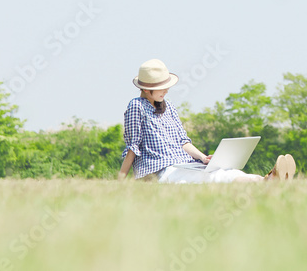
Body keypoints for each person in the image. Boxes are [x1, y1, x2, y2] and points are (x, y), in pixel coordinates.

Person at [117, 58, 296, 183]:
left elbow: (183, 142)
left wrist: (203, 158)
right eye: (162, 88)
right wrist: (122, 180)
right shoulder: (136, 106)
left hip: (184, 164)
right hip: (160, 172)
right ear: (147, 90)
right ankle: (267, 182)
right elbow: (133, 147)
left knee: (222, 171)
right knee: (213, 178)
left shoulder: (168, 106)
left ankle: (266, 179)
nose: (167, 91)